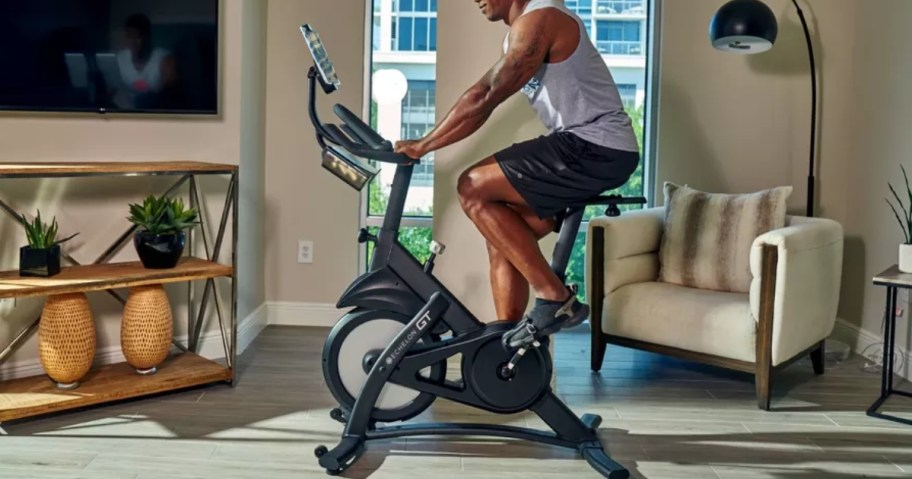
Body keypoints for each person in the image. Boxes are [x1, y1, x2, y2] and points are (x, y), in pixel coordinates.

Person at [394, 0, 640, 350]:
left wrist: (423, 145)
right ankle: (507, 350)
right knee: (503, 235)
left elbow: (486, 95)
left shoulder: (542, 20)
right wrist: (424, 145)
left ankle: (555, 299)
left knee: (471, 185)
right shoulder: (523, 29)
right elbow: (484, 103)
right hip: (585, 145)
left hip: (595, 145)